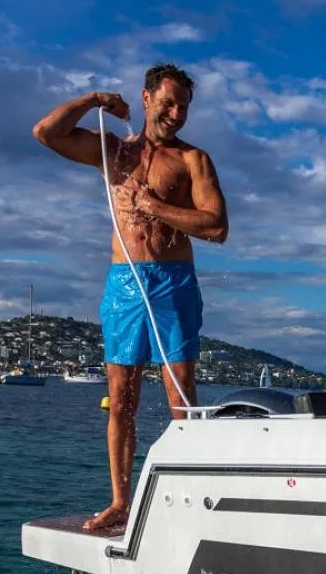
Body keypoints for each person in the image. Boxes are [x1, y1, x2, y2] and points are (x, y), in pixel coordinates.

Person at [32, 64, 229, 530]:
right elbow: (46, 132)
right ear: (146, 99)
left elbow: (217, 226)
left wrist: (156, 206)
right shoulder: (115, 152)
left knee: (180, 393)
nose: (177, 113)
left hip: (173, 279)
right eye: (169, 103)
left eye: (184, 106)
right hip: (125, 282)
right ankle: (121, 501)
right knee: (121, 400)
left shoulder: (192, 160)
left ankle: (191, 494)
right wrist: (95, 99)